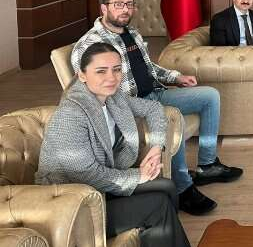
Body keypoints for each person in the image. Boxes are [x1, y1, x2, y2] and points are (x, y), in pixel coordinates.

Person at [71, 0, 243, 216]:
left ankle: (208, 165)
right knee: (173, 118)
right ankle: (182, 188)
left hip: (156, 93)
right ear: (104, 8)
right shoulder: (89, 45)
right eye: (118, 4)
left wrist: (176, 77)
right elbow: (92, 91)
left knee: (210, 96)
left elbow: (148, 67)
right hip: (130, 107)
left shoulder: (131, 33)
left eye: (129, 4)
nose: (125, 9)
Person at [37, 42, 191, 247]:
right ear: (82, 75)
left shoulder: (113, 96)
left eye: (117, 69)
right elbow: (87, 175)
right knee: (158, 205)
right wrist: (138, 176)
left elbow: (153, 108)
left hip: (102, 186)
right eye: (101, 71)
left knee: (167, 187)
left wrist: (156, 147)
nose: (111, 77)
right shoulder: (70, 115)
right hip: (74, 202)